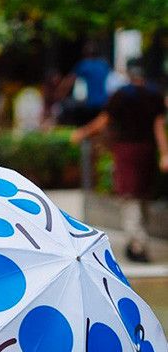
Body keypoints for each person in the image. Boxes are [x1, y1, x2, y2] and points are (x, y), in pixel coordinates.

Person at [72, 60, 168, 262]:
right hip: (147, 152)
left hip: (127, 152)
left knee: (129, 197)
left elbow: (103, 121)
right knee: (141, 197)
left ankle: (138, 243)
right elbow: (158, 127)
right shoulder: (154, 95)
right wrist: (164, 153)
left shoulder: (121, 95)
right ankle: (138, 240)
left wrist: (83, 133)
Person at [58, 41, 112, 125]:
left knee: (84, 125)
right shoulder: (104, 65)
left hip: (89, 104)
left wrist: (59, 94)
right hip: (103, 102)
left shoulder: (84, 65)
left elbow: (69, 82)